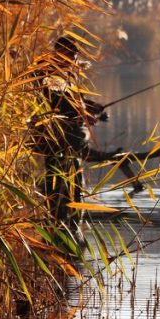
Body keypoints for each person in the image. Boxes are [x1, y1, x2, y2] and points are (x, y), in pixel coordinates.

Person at [30, 35, 108, 224]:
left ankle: (69, 222)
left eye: (75, 54)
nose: (74, 58)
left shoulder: (65, 73)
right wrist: (83, 114)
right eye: (71, 53)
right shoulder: (46, 73)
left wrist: (89, 107)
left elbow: (72, 100)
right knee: (58, 182)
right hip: (57, 138)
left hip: (71, 139)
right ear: (60, 52)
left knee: (72, 183)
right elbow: (57, 103)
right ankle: (60, 223)